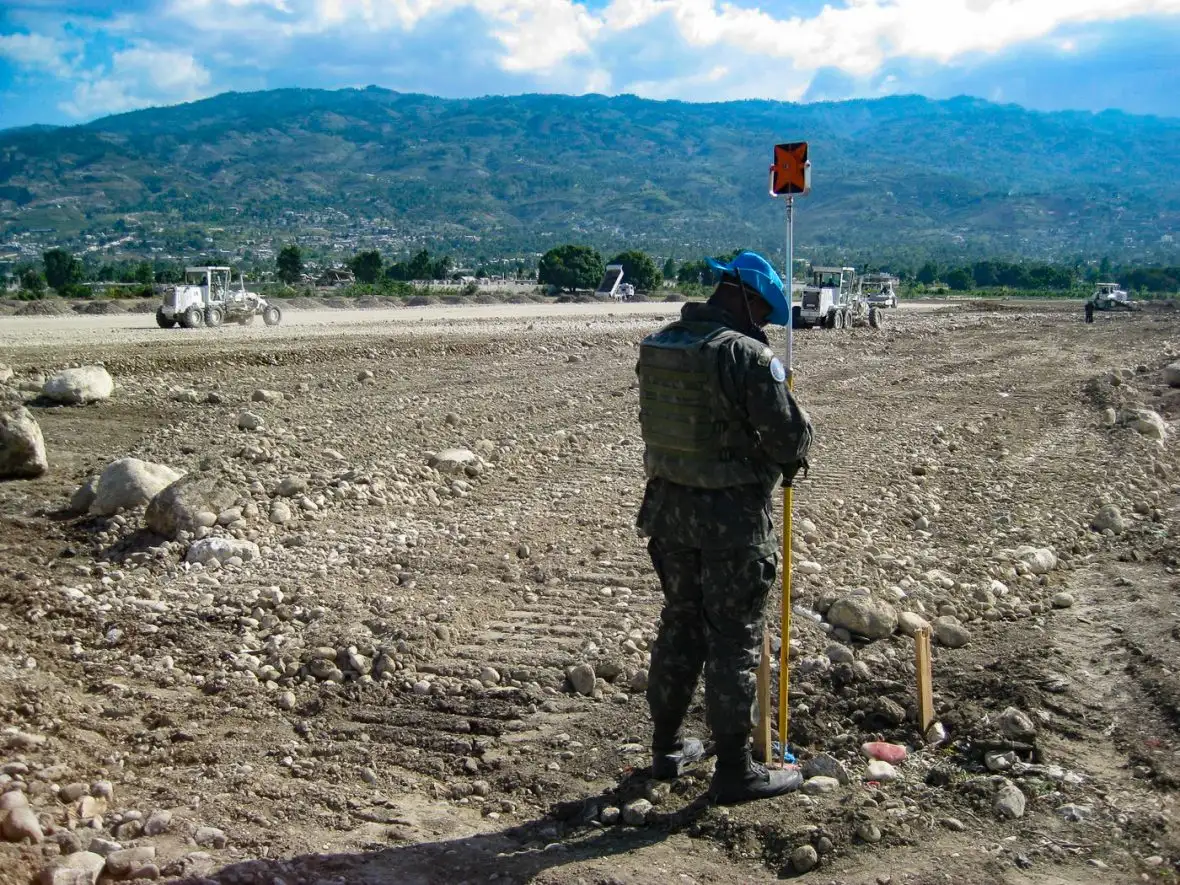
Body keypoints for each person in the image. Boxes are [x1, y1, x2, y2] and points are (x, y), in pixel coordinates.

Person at [635, 250, 813, 805]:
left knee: (680, 623)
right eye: (760, 309)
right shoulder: (746, 357)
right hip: (732, 522)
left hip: (668, 514)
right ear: (740, 296)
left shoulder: (662, 344)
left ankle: (666, 749)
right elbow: (790, 442)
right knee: (733, 638)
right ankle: (735, 770)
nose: (761, 322)